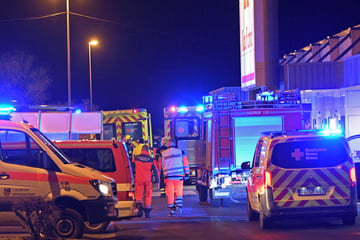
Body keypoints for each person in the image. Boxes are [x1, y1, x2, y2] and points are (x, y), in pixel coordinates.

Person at [160, 138, 189, 216]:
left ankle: (171, 210)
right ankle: (179, 206)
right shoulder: (180, 152)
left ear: (168, 144)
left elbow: (161, 165)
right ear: (175, 144)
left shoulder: (163, 153)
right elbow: (185, 163)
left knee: (170, 193)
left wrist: (161, 175)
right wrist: (187, 173)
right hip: (179, 176)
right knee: (179, 191)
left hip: (168, 177)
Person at [132, 144, 159, 218]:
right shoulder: (151, 159)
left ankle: (139, 205)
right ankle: (147, 212)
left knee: (138, 194)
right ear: (148, 151)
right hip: (148, 179)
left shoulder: (136, 158)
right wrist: (157, 181)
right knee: (148, 195)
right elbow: (155, 171)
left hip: (138, 178)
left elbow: (131, 167)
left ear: (141, 150)